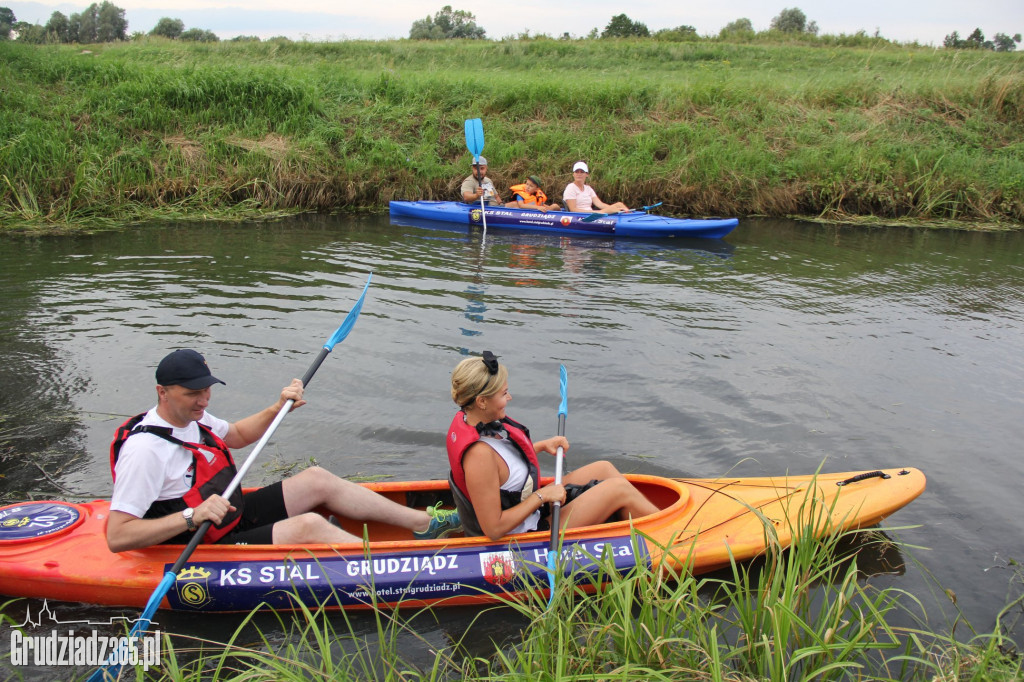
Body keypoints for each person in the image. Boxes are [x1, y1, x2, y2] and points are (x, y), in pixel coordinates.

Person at [106, 349, 461, 552]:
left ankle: (424, 524)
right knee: (309, 524)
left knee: (316, 479)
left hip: (228, 515)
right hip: (198, 542)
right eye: (192, 393)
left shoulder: (194, 418)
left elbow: (239, 434)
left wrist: (278, 408)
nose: (203, 400)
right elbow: (118, 537)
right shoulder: (145, 451)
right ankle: (381, 565)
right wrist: (191, 517)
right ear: (162, 392)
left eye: (206, 390)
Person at [445, 351, 659, 541]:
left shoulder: (475, 422)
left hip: (528, 506)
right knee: (618, 490)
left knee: (603, 468)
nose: (509, 397)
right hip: (527, 534)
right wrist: (543, 496)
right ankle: (669, 538)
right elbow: (493, 528)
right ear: (481, 401)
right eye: (503, 393)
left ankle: (643, 521)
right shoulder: (478, 456)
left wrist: (539, 446)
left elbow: (502, 469)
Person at [562, 161, 630, 214]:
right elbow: (573, 210)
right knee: (612, 209)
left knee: (619, 204)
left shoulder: (588, 188)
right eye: (577, 172)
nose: (579, 174)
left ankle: (628, 215)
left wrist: (613, 208)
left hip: (590, 213)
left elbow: (600, 204)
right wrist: (599, 212)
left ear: (586, 174)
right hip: (581, 215)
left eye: (582, 172)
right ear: (573, 174)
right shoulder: (571, 188)